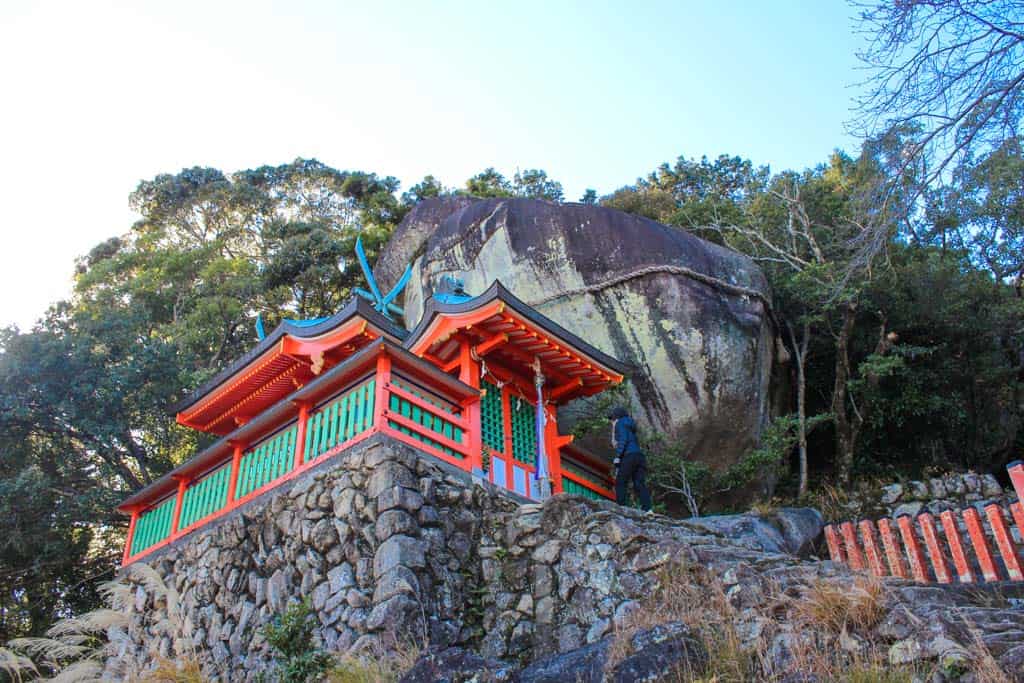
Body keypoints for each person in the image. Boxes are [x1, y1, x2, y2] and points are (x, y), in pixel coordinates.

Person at [608, 406, 652, 512]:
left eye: (612, 419)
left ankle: (621, 509)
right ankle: (648, 509)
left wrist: (618, 457)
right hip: (639, 456)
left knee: (620, 482)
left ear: (616, 417)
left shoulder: (620, 423)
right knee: (639, 483)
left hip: (629, 456)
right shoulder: (630, 425)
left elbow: (623, 439)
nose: (611, 422)